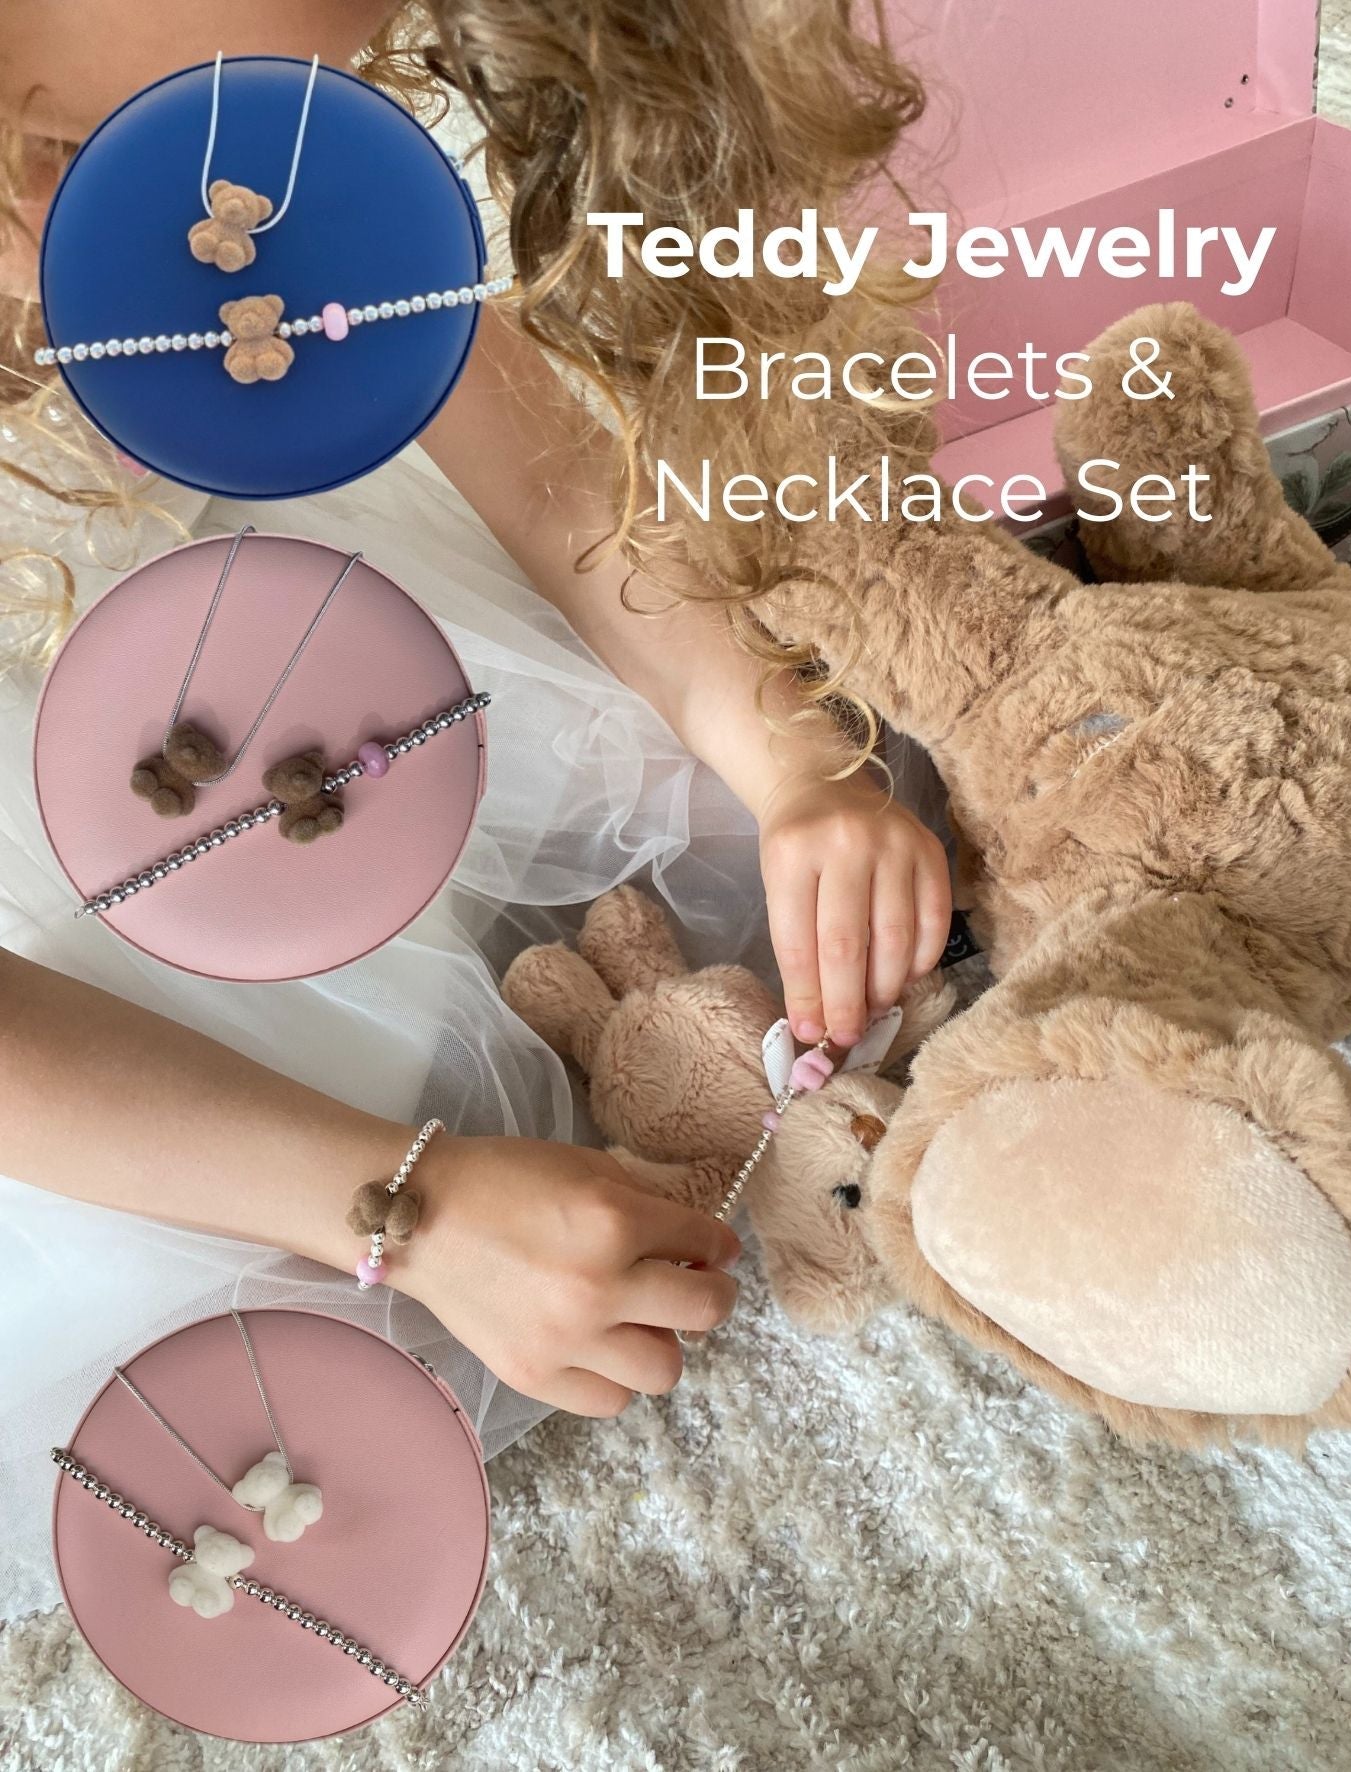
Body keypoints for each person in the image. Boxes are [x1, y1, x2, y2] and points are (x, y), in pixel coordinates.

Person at [0, 0, 950, 1618]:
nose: (273, 161)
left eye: (341, 87)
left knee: (831, 769)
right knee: (179, 1253)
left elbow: (550, 480)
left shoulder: (237, 137)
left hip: (227, 623)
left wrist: (791, 759)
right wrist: (406, 1209)